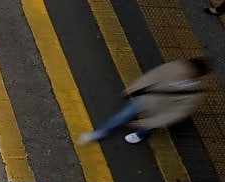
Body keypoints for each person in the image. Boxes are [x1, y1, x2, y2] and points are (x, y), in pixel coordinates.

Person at [77, 58, 211, 145]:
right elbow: (153, 76)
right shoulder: (174, 67)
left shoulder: (194, 94)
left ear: (195, 75)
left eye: (188, 71)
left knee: (148, 127)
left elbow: (175, 114)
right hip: (147, 99)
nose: (183, 70)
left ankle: (141, 134)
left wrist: (150, 122)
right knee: (122, 116)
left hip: (160, 111)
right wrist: (135, 86)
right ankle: (100, 132)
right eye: (186, 67)